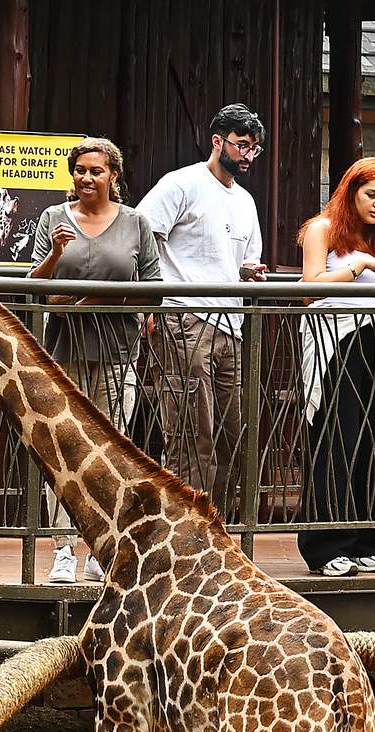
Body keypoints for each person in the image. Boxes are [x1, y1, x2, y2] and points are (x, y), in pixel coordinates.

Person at [28, 136, 159, 583]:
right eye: (80, 170)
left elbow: (153, 287)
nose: (86, 178)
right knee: (63, 449)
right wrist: (56, 253)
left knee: (109, 452)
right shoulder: (52, 218)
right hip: (61, 354)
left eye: (96, 170)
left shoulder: (136, 222)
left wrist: (95, 300)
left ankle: (104, 548)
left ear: (113, 176)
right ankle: (63, 547)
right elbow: (34, 287)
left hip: (117, 352)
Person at [138, 103, 267, 515]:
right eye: (242, 145)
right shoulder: (181, 184)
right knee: (193, 431)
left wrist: (247, 272)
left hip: (231, 322)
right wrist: (151, 302)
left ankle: (216, 526)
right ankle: (185, 530)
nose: (248, 155)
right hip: (184, 315)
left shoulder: (245, 200)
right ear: (218, 141)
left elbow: (242, 259)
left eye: (254, 149)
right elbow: (142, 235)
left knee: (232, 431)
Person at [295, 157, 375, 576]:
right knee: (335, 441)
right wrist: (358, 265)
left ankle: (363, 538)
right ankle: (326, 546)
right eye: (371, 195)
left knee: (374, 442)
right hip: (333, 344)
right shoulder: (322, 228)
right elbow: (308, 289)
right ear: (350, 191)